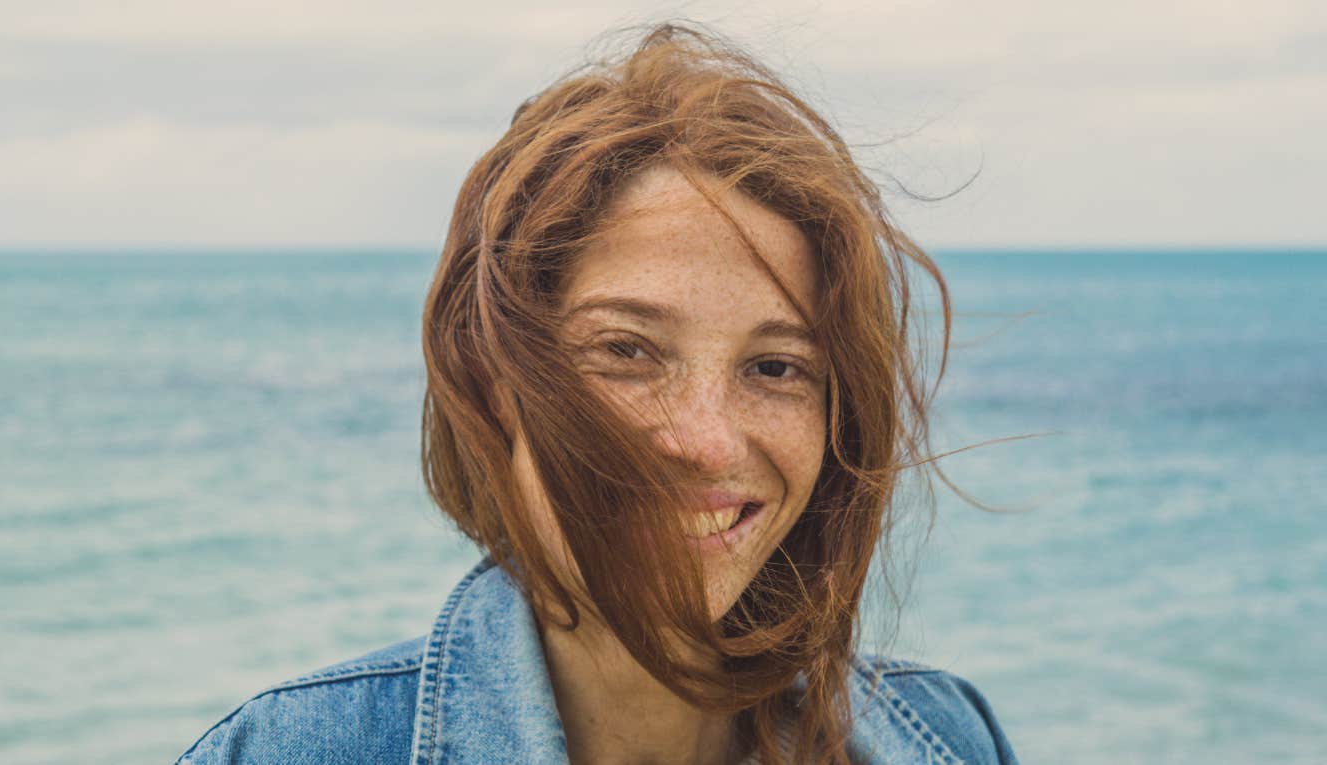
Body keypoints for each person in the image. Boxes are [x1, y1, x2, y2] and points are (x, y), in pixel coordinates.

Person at [177, 22, 1018, 765]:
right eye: (627, 351)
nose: (710, 440)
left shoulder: (944, 737)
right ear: (494, 381)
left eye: (775, 366)